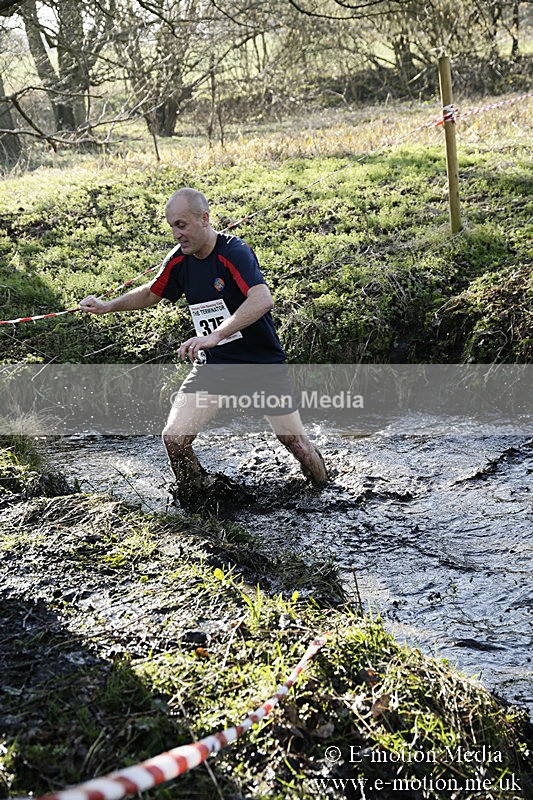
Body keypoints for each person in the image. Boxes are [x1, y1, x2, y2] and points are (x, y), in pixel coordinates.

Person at [79, 187, 328, 510]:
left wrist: (215, 335)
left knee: (295, 443)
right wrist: (108, 306)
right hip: (215, 367)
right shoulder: (179, 260)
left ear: (205, 219)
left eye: (182, 225)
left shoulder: (234, 251)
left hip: (260, 365)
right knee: (174, 438)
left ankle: (327, 493)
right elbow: (152, 293)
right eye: (172, 226)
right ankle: (199, 504)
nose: (176, 233)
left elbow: (262, 299)